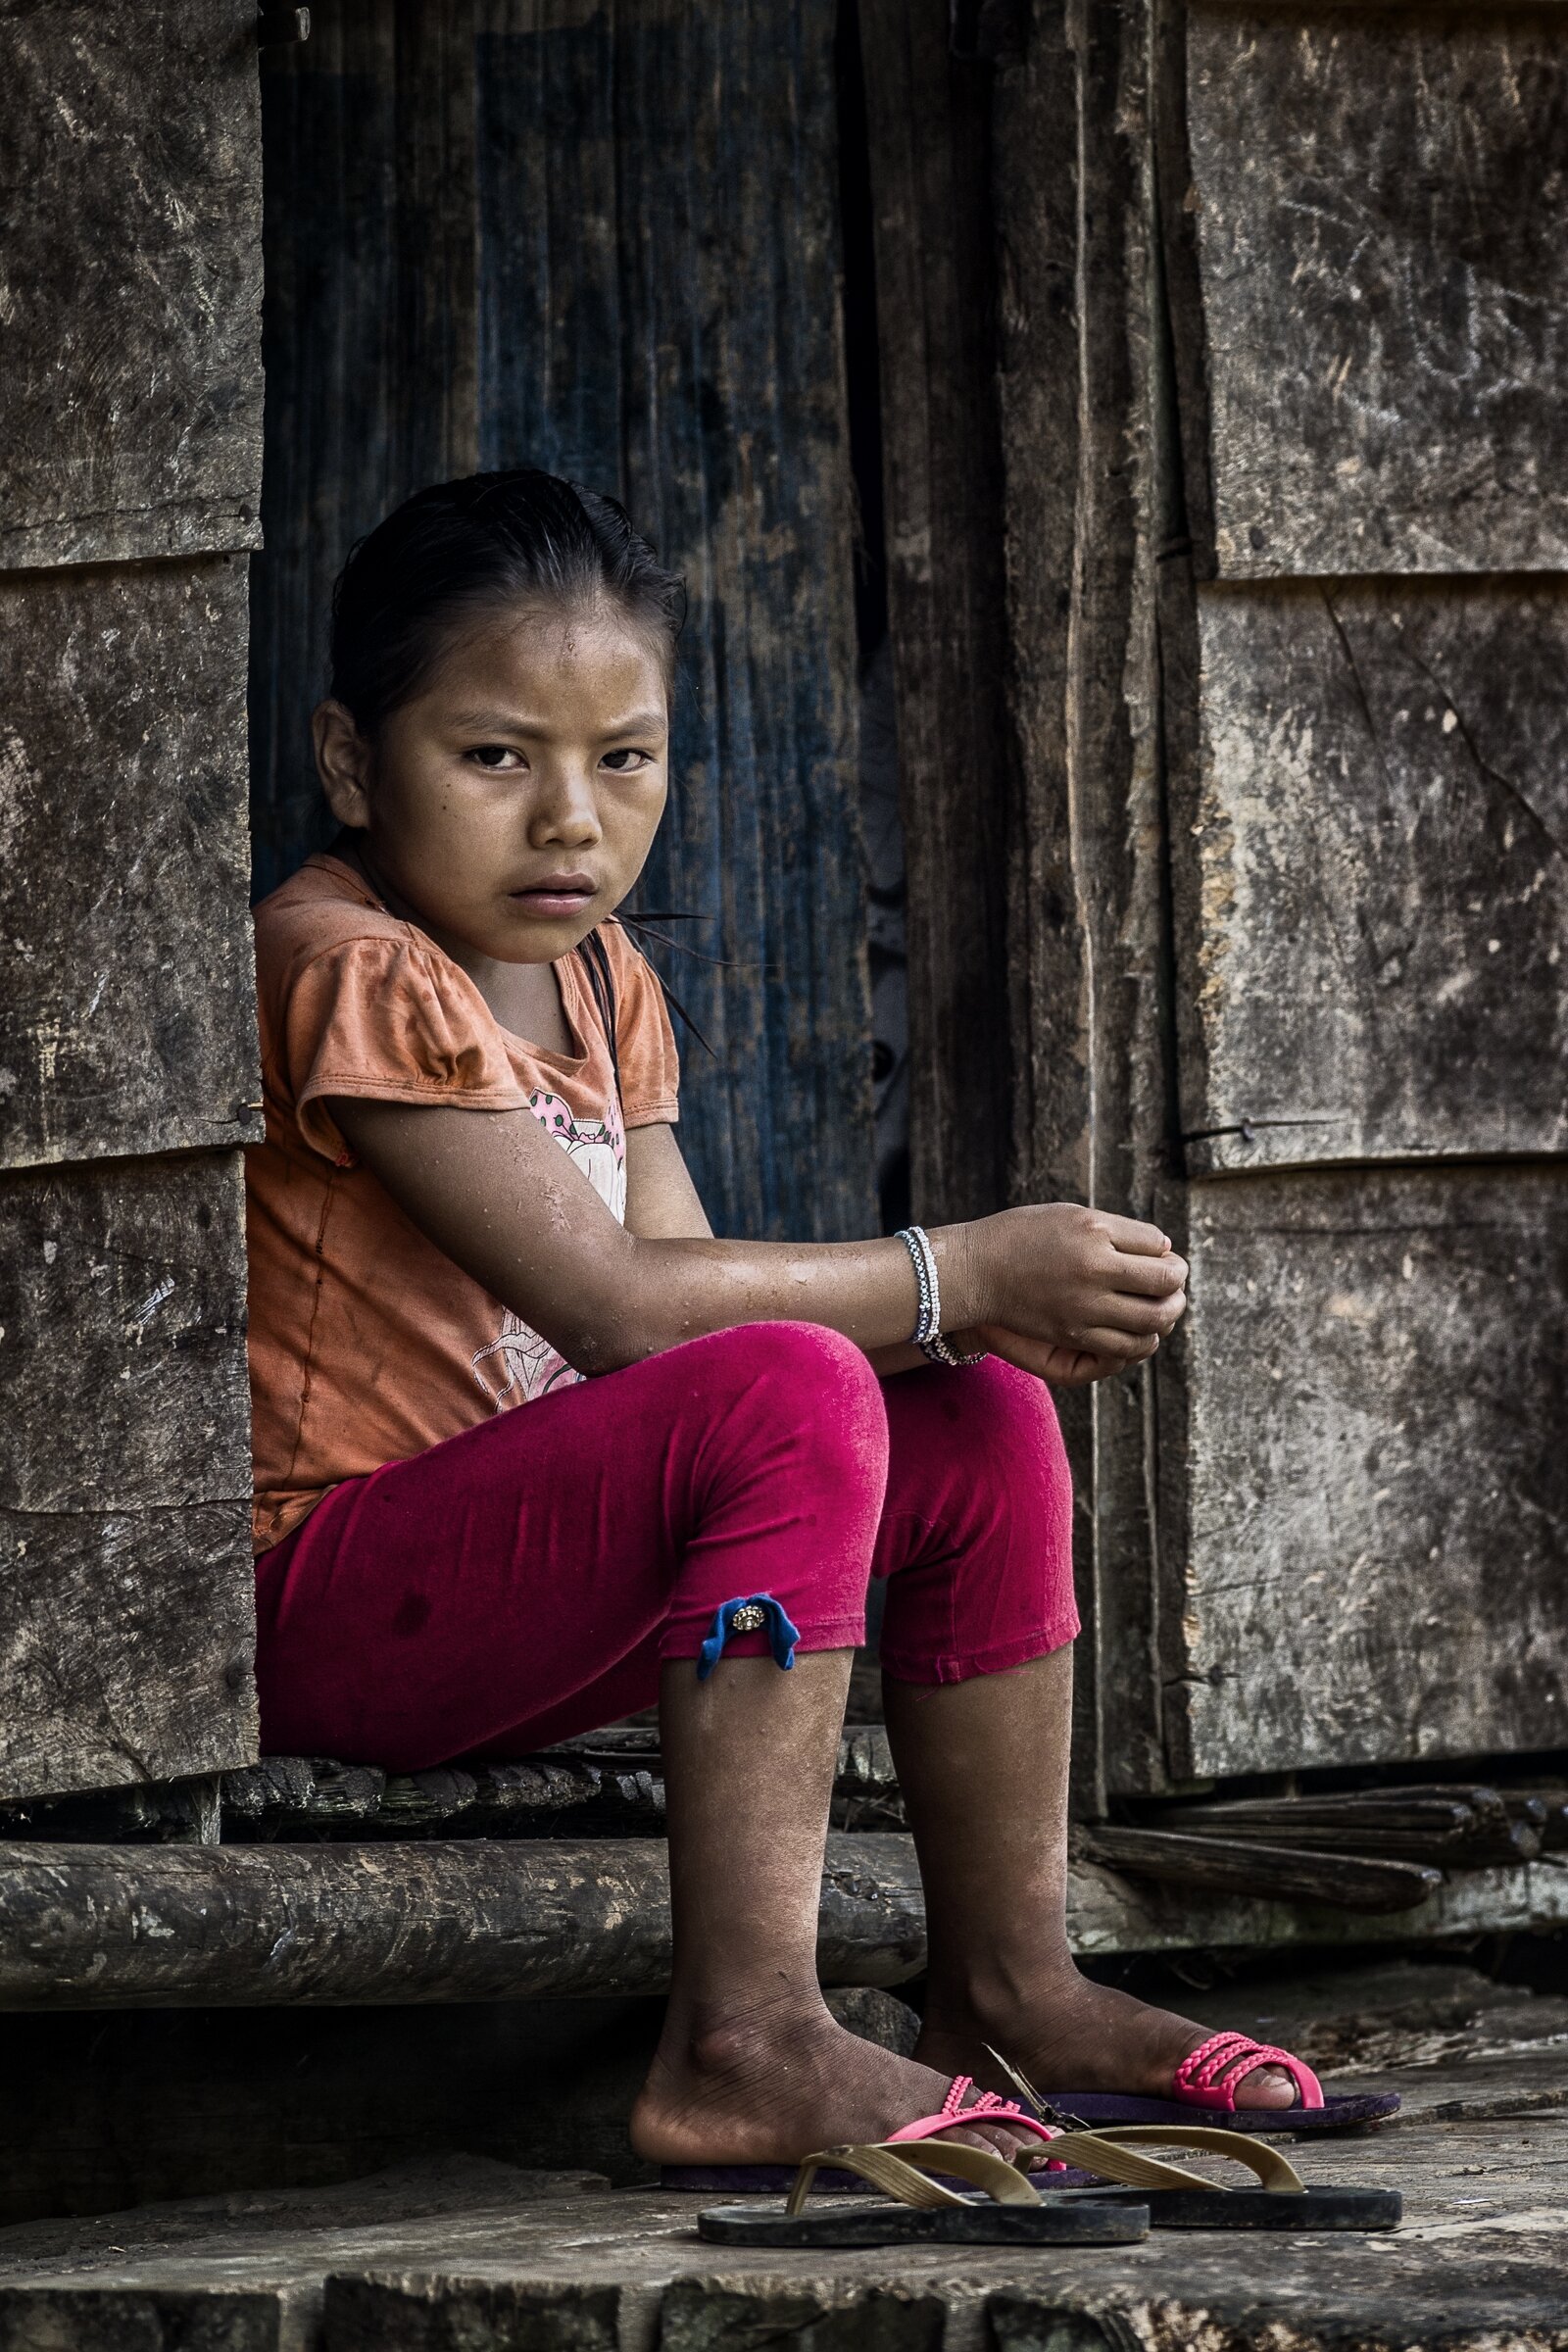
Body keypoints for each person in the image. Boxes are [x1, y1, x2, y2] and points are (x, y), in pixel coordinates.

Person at [246, 469, 1331, 2176]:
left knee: (971, 1415)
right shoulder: (344, 962)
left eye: (625, 759)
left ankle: (1010, 1985)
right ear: (346, 761)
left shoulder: (605, 982)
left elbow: (684, 1322)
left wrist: (959, 1328)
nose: (570, 821)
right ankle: (741, 2039)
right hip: (336, 1600)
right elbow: (619, 1312)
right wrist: (960, 1270)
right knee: (812, 1382)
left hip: (521, 1593)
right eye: (493, 757)